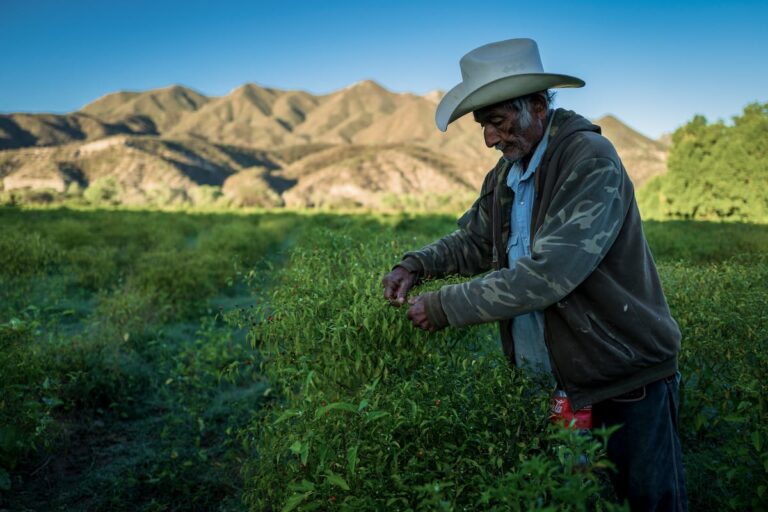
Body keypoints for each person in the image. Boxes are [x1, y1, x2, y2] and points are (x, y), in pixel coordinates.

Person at [381, 38, 687, 511]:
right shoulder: (507, 174)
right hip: (559, 387)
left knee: (649, 503)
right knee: (570, 501)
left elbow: (550, 274)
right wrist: (415, 264)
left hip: (627, 384)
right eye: (484, 126)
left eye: (497, 122)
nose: (489, 139)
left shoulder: (588, 159)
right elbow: (475, 242)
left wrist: (444, 306)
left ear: (539, 106)